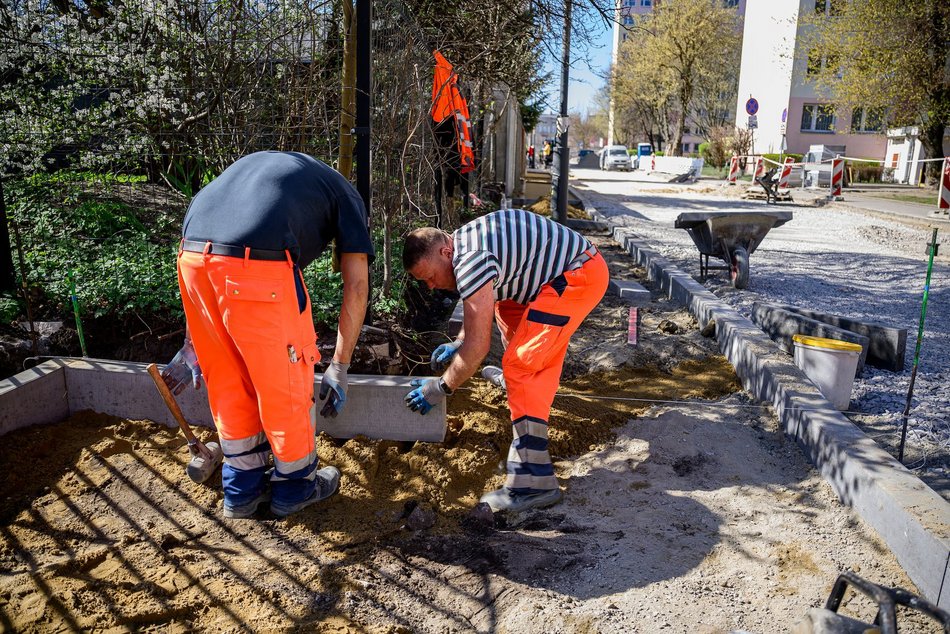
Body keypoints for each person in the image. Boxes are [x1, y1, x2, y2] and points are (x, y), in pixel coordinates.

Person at [161, 151, 373, 519]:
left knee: (227, 375)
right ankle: (296, 486)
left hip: (192, 259)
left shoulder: (270, 173)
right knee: (284, 380)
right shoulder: (347, 196)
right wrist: (339, 365)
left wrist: (195, 340)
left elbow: (211, 250)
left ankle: (241, 489)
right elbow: (356, 286)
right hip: (257, 266)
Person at [402, 209, 609, 513]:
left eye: (430, 277)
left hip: (577, 274)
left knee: (522, 365)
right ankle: (525, 445)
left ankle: (533, 480)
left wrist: (441, 387)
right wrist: (458, 342)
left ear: (446, 252)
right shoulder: (463, 247)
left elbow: (478, 347)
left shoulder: (471, 260)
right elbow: (478, 310)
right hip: (541, 281)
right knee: (512, 332)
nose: (431, 286)